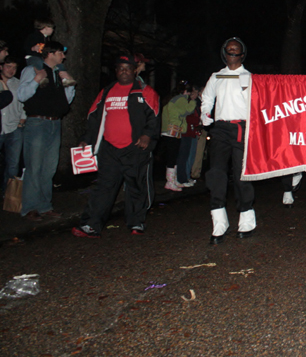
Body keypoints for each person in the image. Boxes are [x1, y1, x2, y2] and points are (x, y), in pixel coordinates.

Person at [71, 56, 160, 238]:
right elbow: (94, 117)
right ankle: (91, 225)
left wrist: (147, 135)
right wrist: (86, 139)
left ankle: (136, 222)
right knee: (104, 187)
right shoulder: (107, 91)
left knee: (136, 186)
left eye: (128, 68)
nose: (124, 71)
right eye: (120, 68)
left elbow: (155, 115)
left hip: (134, 147)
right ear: (116, 71)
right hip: (109, 149)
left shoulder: (145, 91)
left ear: (135, 70)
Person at [201, 37, 255, 243]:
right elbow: (207, 98)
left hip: (242, 127)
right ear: (224, 53)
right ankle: (219, 222)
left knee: (242, 174)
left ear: (242, 54)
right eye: (229, 49)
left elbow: (257, 103)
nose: (232, 52)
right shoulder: (216, 76)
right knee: (216, 172)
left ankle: (247, 220)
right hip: (221, 128)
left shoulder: (249, 77)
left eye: (236, 50)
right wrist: (205, 113)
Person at [17, 41, 75, 221]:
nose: (63, 57)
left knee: (49, 168)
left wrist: (68, 82)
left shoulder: (58, 73)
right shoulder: (32, 70)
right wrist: (36, 79)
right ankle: (30, 207)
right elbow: (22, 95)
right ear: (50, 53)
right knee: (34, 166)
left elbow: (68, 99)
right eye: (60, 53)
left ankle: (44, 206)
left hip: (54, 123)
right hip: (37, 123)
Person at [160, 81, 196, 191]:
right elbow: (187, 110)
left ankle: (172, 180)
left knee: (173, 157)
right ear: (186, 92)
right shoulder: (181, 99)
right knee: (172, 157)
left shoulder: (173, 99)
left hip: (168, 131)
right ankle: (170, 182)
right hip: (173, 131)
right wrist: (193, 102)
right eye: (190, 93)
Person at [23, 18, 76, 87]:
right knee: (39, 63)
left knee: (59, 65)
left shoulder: (47, 39)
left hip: (43, 58)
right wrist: (32, 48)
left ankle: (64, 80)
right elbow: (26, 46)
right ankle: (42, 79)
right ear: (45, 28)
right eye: (51, 28)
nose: (53, 30)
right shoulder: (34, 36)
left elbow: (49, 49)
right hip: (33, 57)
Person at [0, 58, 26, 194]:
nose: (11, 70)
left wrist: (22, 121)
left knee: (13, 165)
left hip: (14, 128)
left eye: (14, 67)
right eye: (8, 66)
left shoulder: (18, 83)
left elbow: (24, 103)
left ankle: (8, 194)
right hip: (1, 127)